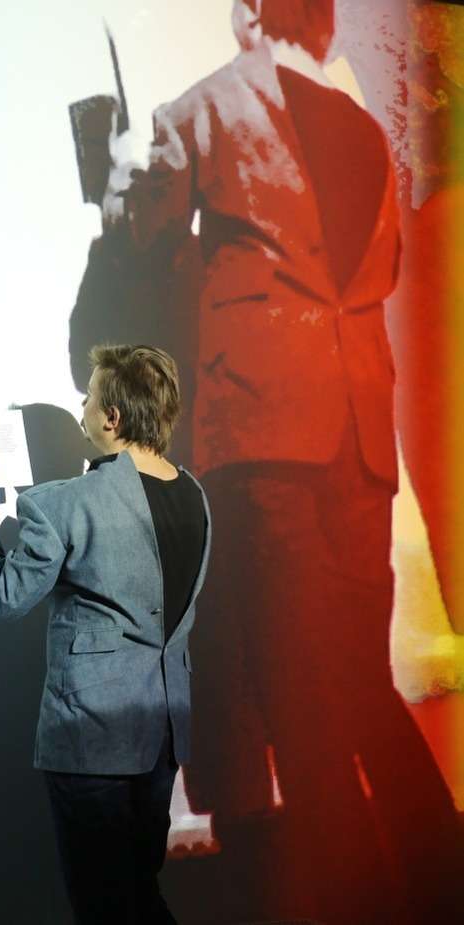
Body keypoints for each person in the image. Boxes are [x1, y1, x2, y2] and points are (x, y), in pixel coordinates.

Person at [107, 2, 463, 922]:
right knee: (357, 686)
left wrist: (120, 179)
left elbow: (144, 236)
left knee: (303, 701)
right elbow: (378, 267)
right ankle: (440, 880)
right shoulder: (366, 131)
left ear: (248, 13)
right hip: (357, 444)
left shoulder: (199, 110)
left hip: (267, 442)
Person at [0, 344, 211, 925]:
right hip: (162, 732)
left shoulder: (63, 503)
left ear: (112, 417)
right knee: (137, 891)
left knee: (107, 906)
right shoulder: (196, 497)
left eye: (89, 397)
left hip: (91, 737)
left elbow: (2, 599)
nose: (82, 408)